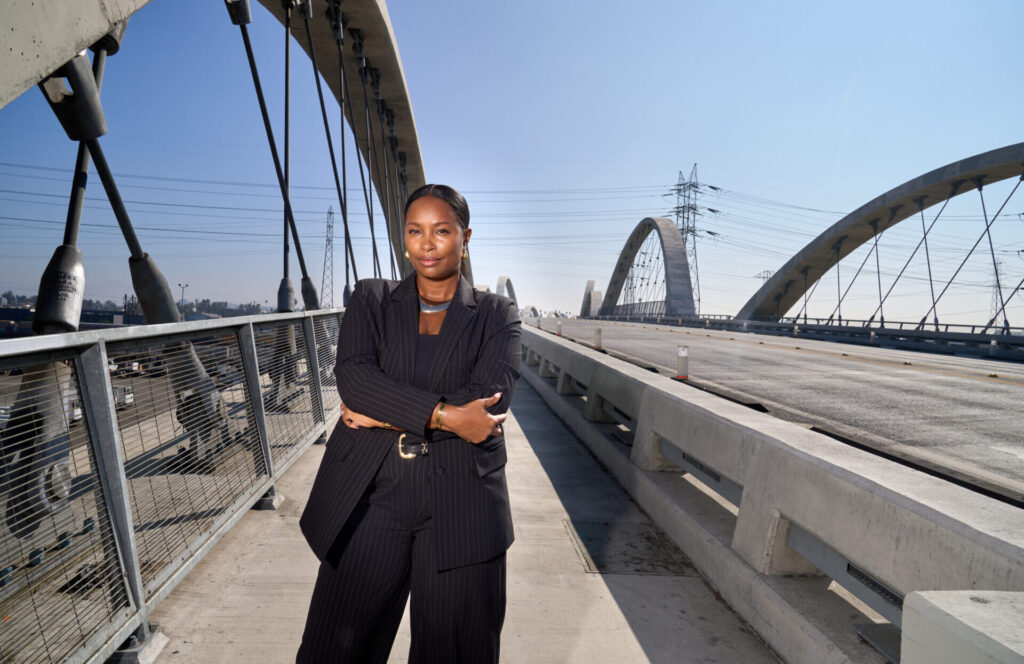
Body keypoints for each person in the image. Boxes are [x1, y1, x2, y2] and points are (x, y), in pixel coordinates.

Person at [296, 184, 522, 663]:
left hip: (462, 502)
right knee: (332, 651)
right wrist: (445, 416)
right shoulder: (371, 299)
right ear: (403, 240)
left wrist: (382, 412)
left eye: (442, 231)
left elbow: (484, 411)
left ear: (465, 237)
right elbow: (355, 379)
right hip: (372, 493)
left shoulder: (497, 315)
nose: (427, 243)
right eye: (415, 231)